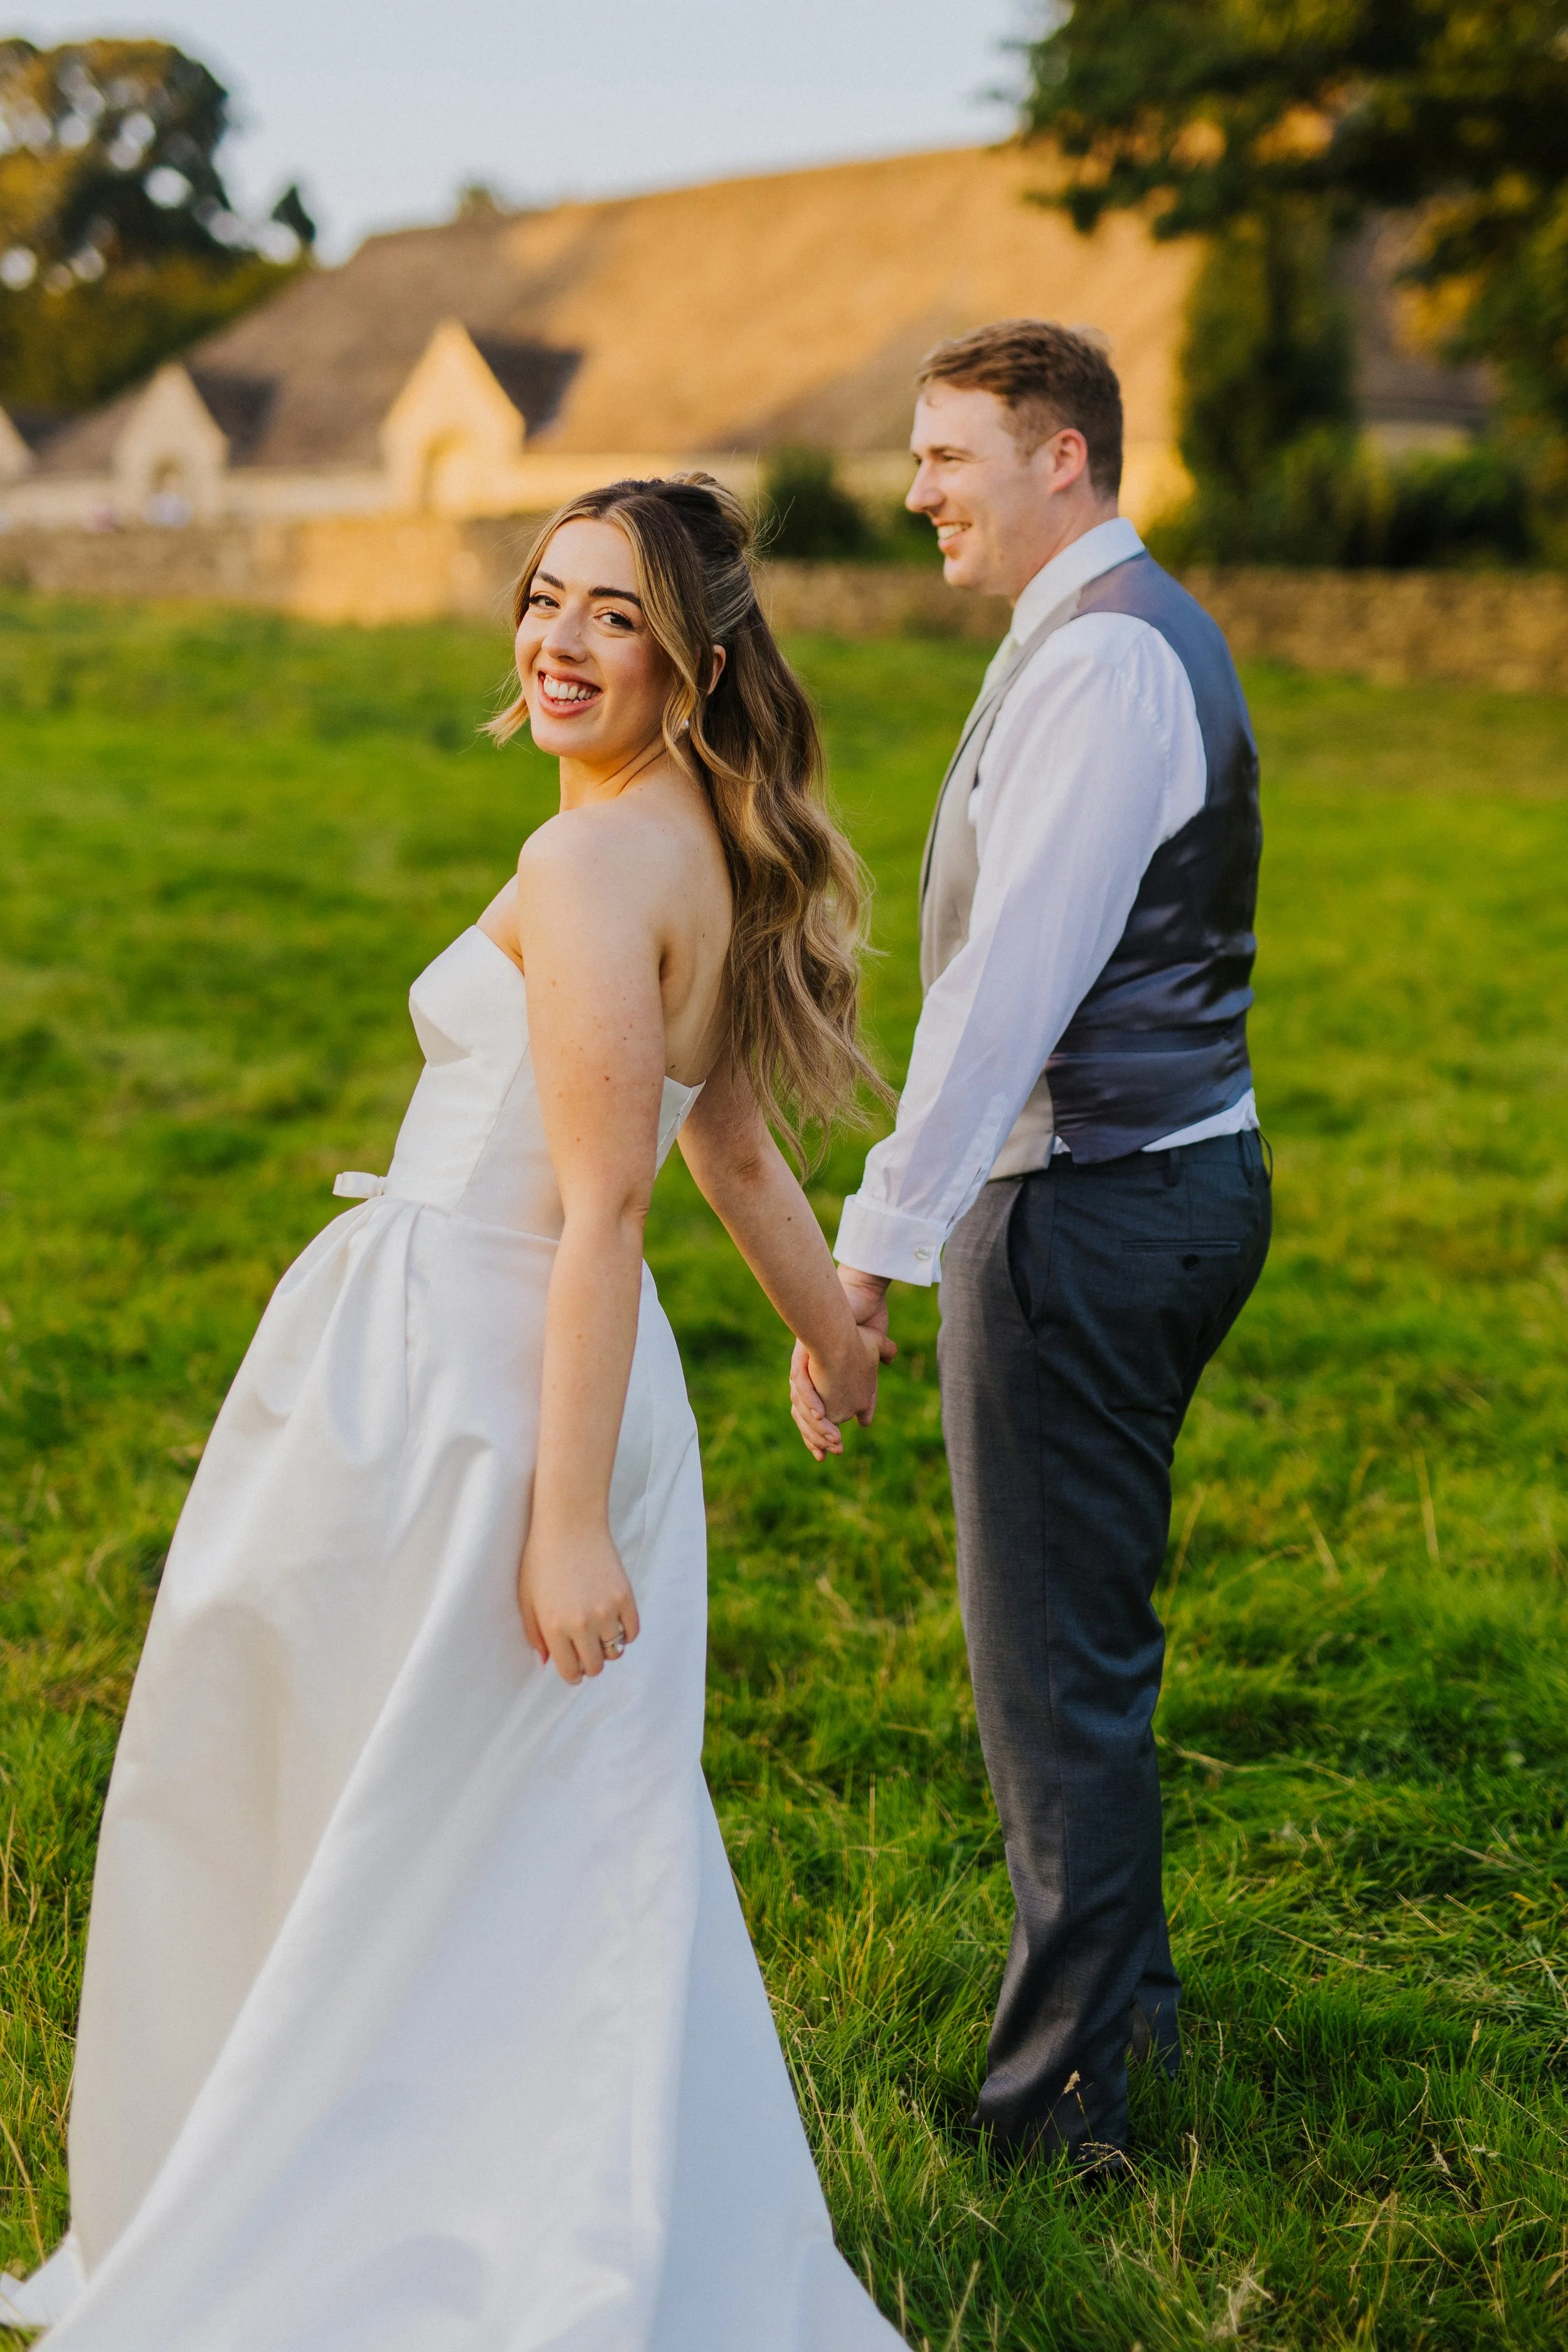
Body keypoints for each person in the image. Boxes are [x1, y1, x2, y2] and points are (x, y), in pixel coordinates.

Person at [4, 477, 906, 2348]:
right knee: (509, 1819)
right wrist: (834, 1338)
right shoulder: (703, 844)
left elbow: (610, 1203)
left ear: (695, 657)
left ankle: (394, 2219)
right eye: (542, 600)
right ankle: (511, 2173)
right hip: (543, 1373)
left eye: (614, 617)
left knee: (382, 1803)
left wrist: (560, 1516)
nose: (560, 644)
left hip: (484, 1394)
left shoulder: (590, 868)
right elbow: (735, 1143)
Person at [793, 320, 1271, 2176]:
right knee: (1080, 1646)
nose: (916, 489)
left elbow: (1005, 996)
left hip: (1086, 1207)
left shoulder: (1101, 669)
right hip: (1152, 1182)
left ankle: (1068, 2113)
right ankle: (1122, 2027)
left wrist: (874, 1254)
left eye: (946, 455)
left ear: (1058, 457)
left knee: (1050, 1668)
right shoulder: (1113, 629)